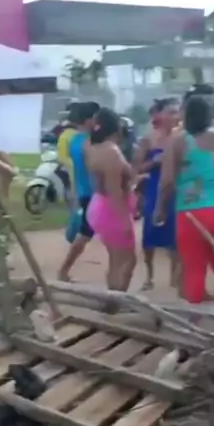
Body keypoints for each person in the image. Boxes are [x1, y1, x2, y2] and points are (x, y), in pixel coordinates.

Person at [155, 94, 214, 309]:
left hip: (192, 211)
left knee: (194, 268)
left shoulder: (178, 141)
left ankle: (195, 319)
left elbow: (167, 181)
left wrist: (160, 209)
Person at [86, 107, 137, 291]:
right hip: (112, 209)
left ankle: (115, 296)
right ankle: (116, 297)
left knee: (117, 258)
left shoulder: (93, 148)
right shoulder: (111, 152)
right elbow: (114, 189)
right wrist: (124, 221)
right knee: (125, 260)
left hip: (100, 204)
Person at [133, 98, 179, 290]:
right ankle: (149, 275)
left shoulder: (181, 138)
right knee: (150, 235)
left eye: (177, 112)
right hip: (154, 188)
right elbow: (137, 168)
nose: (175, 116)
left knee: (175, 235)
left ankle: (174, 277)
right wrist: (155, 161)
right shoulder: (148, 139)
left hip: (176, 189)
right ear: (160, 115)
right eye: (170, 112)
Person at [57, 101, 100, 281]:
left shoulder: (76, 140)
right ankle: (63, 270)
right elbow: (94, 170)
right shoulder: (88, 143)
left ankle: (64, 270)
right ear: (89, 119)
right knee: (85, 233)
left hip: (84, 191)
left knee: (86, 233)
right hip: (92, 192)